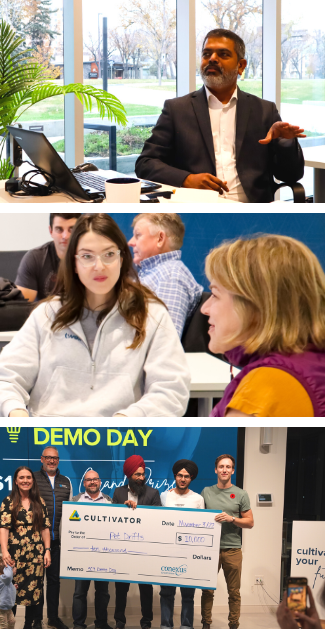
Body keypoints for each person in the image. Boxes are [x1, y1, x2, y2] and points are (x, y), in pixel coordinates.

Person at [0, 214, 191, 417]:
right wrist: (15, 410)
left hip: (118, 440)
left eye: (109, 254)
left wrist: (129, 420)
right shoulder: (48, 313)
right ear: (74, 264)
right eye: (87, 256)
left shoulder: (152, 314)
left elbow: (171, 390)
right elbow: (3, 379)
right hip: (49, 438)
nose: (99, 266)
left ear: (121, 258)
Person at [135, 29, 305, 202]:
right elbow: (146, 163)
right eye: (206, 54)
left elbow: (291, 175)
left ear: (241, 66)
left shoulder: (264, 110)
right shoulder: (177, 109)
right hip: (199, 207)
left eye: (223, 54)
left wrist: (285, 142)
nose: (212, 59)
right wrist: (186, 179)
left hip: (251, 209)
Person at [202, 234, 325, 417]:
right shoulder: (310, 364)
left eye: (215, 294)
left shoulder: (268, 385)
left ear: (256, 308)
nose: (205, 308)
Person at [127, 214, 203, 338]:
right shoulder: (154, 274)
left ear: (160, 239)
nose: (130, 242)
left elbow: (165, 340)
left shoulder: (170, 276)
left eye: (138, 235)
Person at [200, 454, 253, 629]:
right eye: (221, 467)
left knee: (234, 592)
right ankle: (206, 624)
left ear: (233, 470)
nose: (224, 470)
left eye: (228, 467)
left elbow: (250, 522)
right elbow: (197, 516)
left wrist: (231, 519)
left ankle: (233, 625)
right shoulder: (207, 492)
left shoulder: (241, 494)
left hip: (232, 550)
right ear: (216, 470)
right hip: (210, 549)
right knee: (207, 590)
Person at [0, 465, 51, 629]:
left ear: (33, 481)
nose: (25, 481)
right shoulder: (8, 502)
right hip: (14, 555)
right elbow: (4, 529)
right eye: (21, 478)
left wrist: (48, 550)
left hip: (36, 555)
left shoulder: (39, 502)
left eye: (28, 477)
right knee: (11, 591)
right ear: (16, 481)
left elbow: (44, 528)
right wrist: (5, 551)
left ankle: (29, 625)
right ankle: (9, 625)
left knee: (34, 592)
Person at [113, 455, 162, 629]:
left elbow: (158, 520)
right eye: (137, 475)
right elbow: (112, 520)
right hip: (123, 550)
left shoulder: (153, 493)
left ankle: (146, 621)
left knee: (145, 588)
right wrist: (122, 509)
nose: (141, 478)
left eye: (142, 474)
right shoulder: (118, 493)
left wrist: (137, 510)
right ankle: (119, 620)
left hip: (145, 550)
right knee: (121, 588)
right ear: (129, 475)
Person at [159, 459, 204, 629]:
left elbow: (202, 527)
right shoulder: (164, 496)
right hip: (168, 552)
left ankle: (186, 626)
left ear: (191, 478)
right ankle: (166, 626)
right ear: (175, 476)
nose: (183, 479)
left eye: (186, 476)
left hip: (189, 553)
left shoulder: (198, 499)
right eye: (180, 475)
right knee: (166, 593)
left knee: (188, 595)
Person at [35, 447, 71, 629]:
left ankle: (53, 618)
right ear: (42, 459)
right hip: (35, 542)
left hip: (56, 542)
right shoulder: (32, 479)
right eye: (48, 458)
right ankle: (36, 620)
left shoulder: (66, 482)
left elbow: (71, 513)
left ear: (58, 460)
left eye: (55, 458)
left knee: (54, 582)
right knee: (36, 582)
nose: (51, 461)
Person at [70, 469, 111, 629]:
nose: (92, 482)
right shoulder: (75, 501)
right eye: (88, 480)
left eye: (95, 479)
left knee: (103, 592)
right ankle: (79, 624)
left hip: (103, 555)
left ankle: (101, 623)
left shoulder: (109, 501)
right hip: (81, 555)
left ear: (100, 482)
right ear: (84, 483)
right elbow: (67, 527)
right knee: (80, 592)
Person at [17, 214, 81, 302]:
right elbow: (22, 307)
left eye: (72, 229)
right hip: (44, 314)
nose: (65, 236)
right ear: (51, 231)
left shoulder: (89, 258)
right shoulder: (35, 258)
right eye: (59, 229)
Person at [0, 555, 18, 629]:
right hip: (0, 610)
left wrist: (13, 587)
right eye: (13, 567)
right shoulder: (4, 579)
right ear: (6, 570)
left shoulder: (7, 582)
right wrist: (9, 566)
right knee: (4, 626)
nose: (15, 569)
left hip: (8, 608)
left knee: (12, 622)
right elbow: (8, 576)